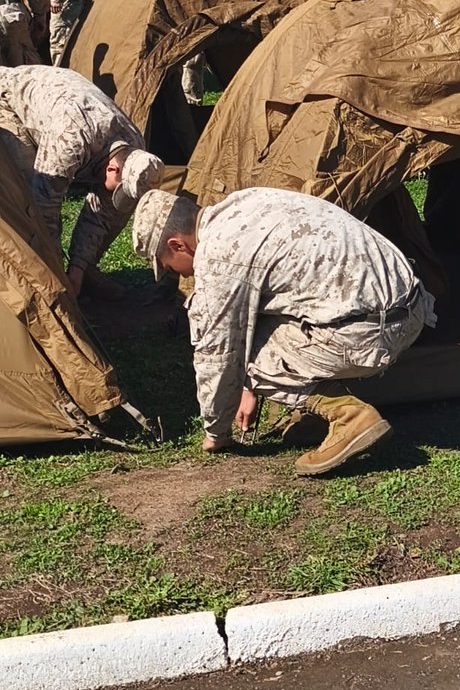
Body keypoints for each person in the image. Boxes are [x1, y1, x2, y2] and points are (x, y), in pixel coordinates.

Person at [132, 187, 435, 475]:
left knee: (236, 354)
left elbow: (219, 353)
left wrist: (216, 433)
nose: (183, 275)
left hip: (372, 331)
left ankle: (350, 416)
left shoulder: (218, 255)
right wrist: (249, 389)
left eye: (171, 267)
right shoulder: (243, 203)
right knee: (251, 331)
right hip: (411, 305)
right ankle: (315, 414)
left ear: (177, 245)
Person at [0, 65, 163, 296]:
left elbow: (103, 212)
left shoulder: (133, 144)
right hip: (9, 103)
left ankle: (84, 274)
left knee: (116, 211)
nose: (115, 195)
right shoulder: (71, 140)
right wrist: (58, 274)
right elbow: (43, 209)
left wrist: (77, 268)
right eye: (119, 189)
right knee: (29, 197)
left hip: (59, 110)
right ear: (112, 167)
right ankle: (47, 284)